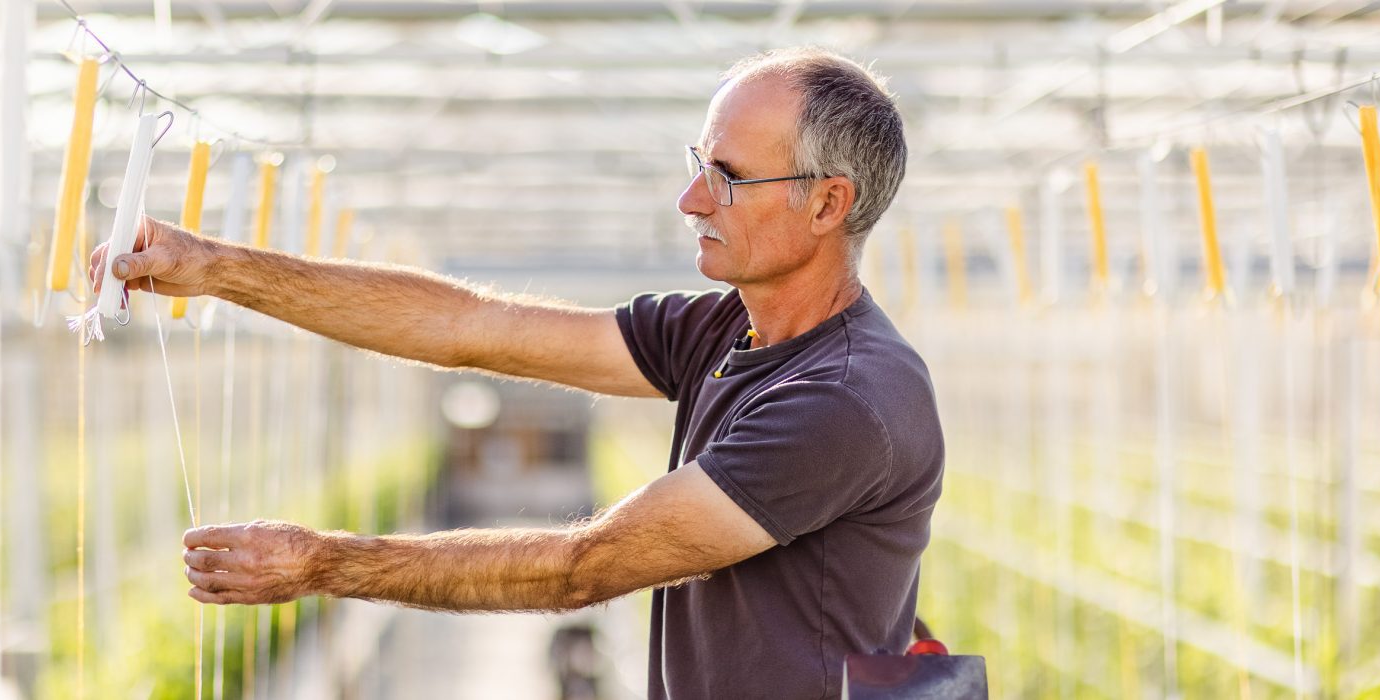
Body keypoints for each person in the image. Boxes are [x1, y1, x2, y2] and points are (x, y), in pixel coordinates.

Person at [91, 46, 941, 699]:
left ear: (827, 203)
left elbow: (586, 565)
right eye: (697, 163)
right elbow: (474, 327)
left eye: (728, 178)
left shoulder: (844, 400)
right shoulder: (726, 327)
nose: (690, 199)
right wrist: (217, 268)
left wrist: (324, 563)